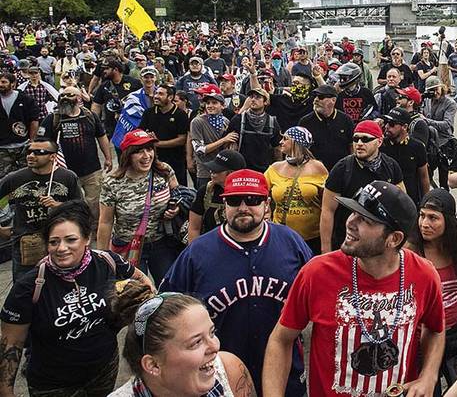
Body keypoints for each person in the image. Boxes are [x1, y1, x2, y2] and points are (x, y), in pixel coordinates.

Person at [263, 181, 445, 397]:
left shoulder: (424, 275)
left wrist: (429, 376)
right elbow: (281, 339)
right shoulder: (317, 273)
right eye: (352, 213)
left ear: (393, 239)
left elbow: (435, 329)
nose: (350, 222)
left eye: (365, 220)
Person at [160, 169, 312, 396]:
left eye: (252, 200)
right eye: (234, 200)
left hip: (286, 369)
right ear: (224, 205)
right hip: (220, 373)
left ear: (266, 203)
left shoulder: (290, 242)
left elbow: (319, 294)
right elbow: (166, 307)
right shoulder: (198, 252)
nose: (243, 207)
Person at [0, 201, 148, 397]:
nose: (61, 248)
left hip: (103, 373)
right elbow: (11, 344)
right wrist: (5, 391)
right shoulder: (29, 286)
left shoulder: (106, 262)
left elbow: (142, 281)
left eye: (70, 240)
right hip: (53, 385)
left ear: (86, 239)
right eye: (54, 242)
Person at [109, 285, 254, 396]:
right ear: (153, 364)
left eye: (212, 333)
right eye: (196, 342)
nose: (215, 346)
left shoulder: (230, 371)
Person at [416, 188, 457, 394]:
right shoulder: (411, 252)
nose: (425, 224)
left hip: (456, 333)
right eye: (422, 216)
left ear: (448, 221)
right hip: (422, 339)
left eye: (433, 218)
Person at [97, 129, 182, 280]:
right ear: (127, 155)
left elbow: (179, 195)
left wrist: (176, 209)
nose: (146, 156)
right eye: (139, 151)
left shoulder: (164, 171)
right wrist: (102, 259)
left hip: (161, 244)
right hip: (129, 246)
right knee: (136, 293)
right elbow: (105, 221)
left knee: (170, 288)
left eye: (149, 149)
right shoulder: (112, 182)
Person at [0, 137, 83, 277]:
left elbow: (80, 208)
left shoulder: (67, 177)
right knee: (25, 289)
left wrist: (58, 205)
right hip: (27, 244)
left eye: (39, 152)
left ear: (52, 156)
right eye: (29, 151)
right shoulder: (15, 178)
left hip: (61, 242)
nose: (31, 156)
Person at [319, 120, 404, 253]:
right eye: (356, 139)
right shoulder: (342, 169)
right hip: (347, 241)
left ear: (379, 142)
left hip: (379, 245)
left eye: (365, 139)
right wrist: (325, 250)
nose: (359, 144)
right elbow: (327, 211)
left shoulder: (391, 166)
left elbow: (401, 205)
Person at [37, 85, 112, 218]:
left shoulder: (90, 116)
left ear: (79, 98)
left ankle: (93, 230)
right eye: (63, 95)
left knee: (94, 204)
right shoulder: (52, 119)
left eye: (70, 95)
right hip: (64, 172)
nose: (65, 98)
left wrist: (108, 158)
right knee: (69, 205)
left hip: (92, 170)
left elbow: (102, 137)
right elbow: (41, 142)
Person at [266, 126, 328, 254]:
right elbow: (260, 192)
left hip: (312, 239)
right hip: (281, 236)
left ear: (297, 142)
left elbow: (327, 203)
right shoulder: (275, 168)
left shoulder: (318, 168)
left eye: (285, 139)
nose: (280, 142)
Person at [187, 149, 245, 242]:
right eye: (211, 169)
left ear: (231, 173)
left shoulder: (248, 195)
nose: (211, 172)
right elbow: (194, 228)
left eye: (216, 170)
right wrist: (194, 252)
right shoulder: (205, 191)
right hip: (209, 247)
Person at [140, 83, 191, 186]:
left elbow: (182, 139)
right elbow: (140, 131)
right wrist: (147, 138)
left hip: (176, 161)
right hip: (154, 160)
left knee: (178, 190)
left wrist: (158, 143)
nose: (156, 96)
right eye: (156, 93)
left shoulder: (180, 115)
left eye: (161, 94)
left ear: (170, 97)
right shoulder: (148, 113)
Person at [225, 85, 281, 172]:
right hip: (241, 170)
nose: (253, 100)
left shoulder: (272, 122)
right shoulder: (238, 119)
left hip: (263, 172)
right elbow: (227, 143)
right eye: (251, 97)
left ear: (265, 102)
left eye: (258, 97)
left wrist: (278, 171)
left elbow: (277, 149)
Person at [381, 106, 430, 205]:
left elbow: (424, 177)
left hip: (410, 201)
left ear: (404, 127)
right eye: (386, 122)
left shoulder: (417, 147)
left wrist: (425, 201)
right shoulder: (381, 145)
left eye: (392, 124)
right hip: (385, 199)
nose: (387, 126)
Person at [298, 82, 353, 169]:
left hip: (342, 169)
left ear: (333, 100)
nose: (316, 100)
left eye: (321, 97)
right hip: (314, 170)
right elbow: (300, 148)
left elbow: (351, 145)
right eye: (315, 96)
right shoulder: (305, 122)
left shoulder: (346, 120)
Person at [188, 84, 231, 185]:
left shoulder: (225, 121)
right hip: (205, 173)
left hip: (223, 173)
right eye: (208, 103)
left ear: (223, 105)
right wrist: (224, 140)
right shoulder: (197, 122)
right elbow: (199, 150)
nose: (210, 106)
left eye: (214, 103)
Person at [0, 70, 39, 178]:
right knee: (4, 178)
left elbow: (34, 120)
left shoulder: (25, 99)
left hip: (23, 144)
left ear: (13, 84)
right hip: (2, 146)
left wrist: (32, 140)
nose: (0, 85)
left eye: (4, 82)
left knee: (26, 176)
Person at [333, 62, 378, 127]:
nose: (342, 81)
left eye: (344, 78)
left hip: (362, 127)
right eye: (341, 78)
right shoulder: (340, 95)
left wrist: (369, 117)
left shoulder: (366, 92)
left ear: (354, 77)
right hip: (345, 127)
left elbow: (376, 110)